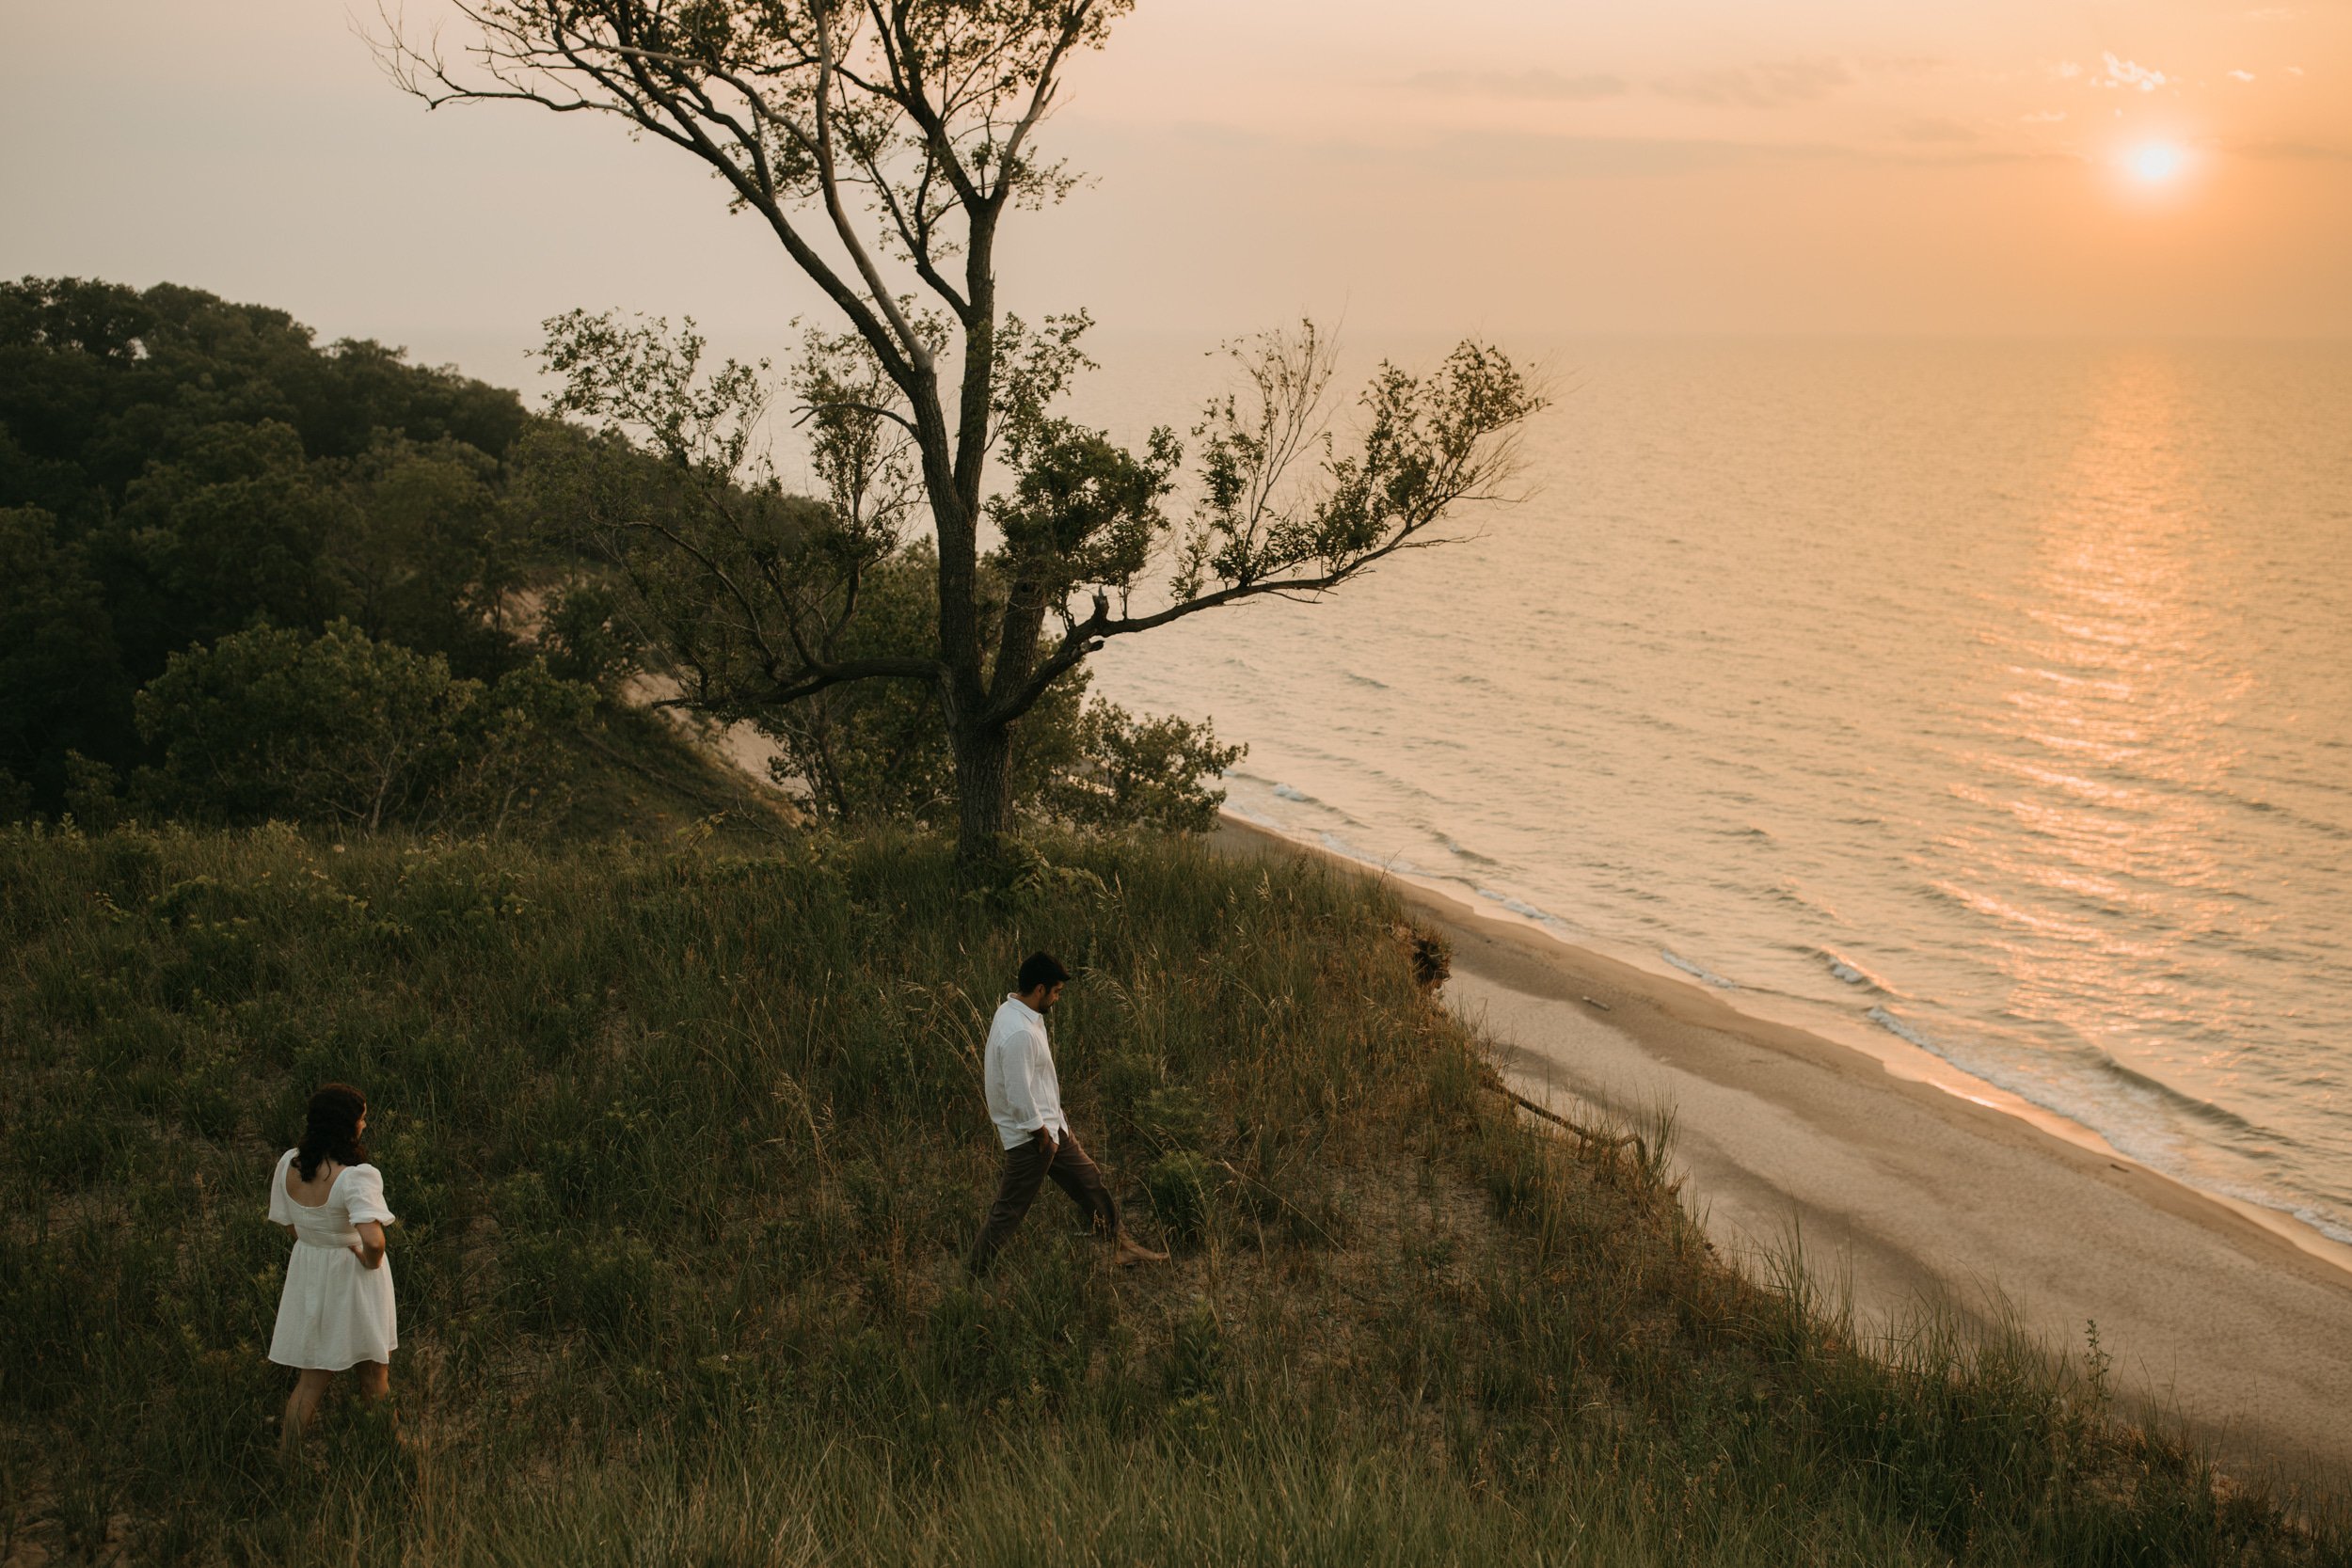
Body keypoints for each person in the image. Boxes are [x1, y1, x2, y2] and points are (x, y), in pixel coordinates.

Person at [968, 952, 1168, 1275]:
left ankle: (1123, 1247)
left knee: (1090, 1182)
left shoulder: (1018, 1012)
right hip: (1031, 1137)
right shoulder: (1019, 1032)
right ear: (1039, 989)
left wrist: (1053, 1128)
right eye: (1056, 992)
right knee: (1009, 1210)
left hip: (1051, 1127)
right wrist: (1041, 1136)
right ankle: (974, 1274)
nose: (1057, 998)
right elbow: (1017, 1093)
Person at [267, 1083, 398, 1451]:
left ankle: (286, 1462)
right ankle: (390, 1452)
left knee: (310, 1382)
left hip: (310, 1272)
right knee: (374, 1376)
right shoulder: (356, 1176)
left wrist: (318, 1243)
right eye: (362, 1119)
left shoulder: (290, 1164)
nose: (364, 1126)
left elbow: (290, 1223)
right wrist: (368, 1260)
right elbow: (373, 1240)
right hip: (354, 1280)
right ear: (346, 1125)